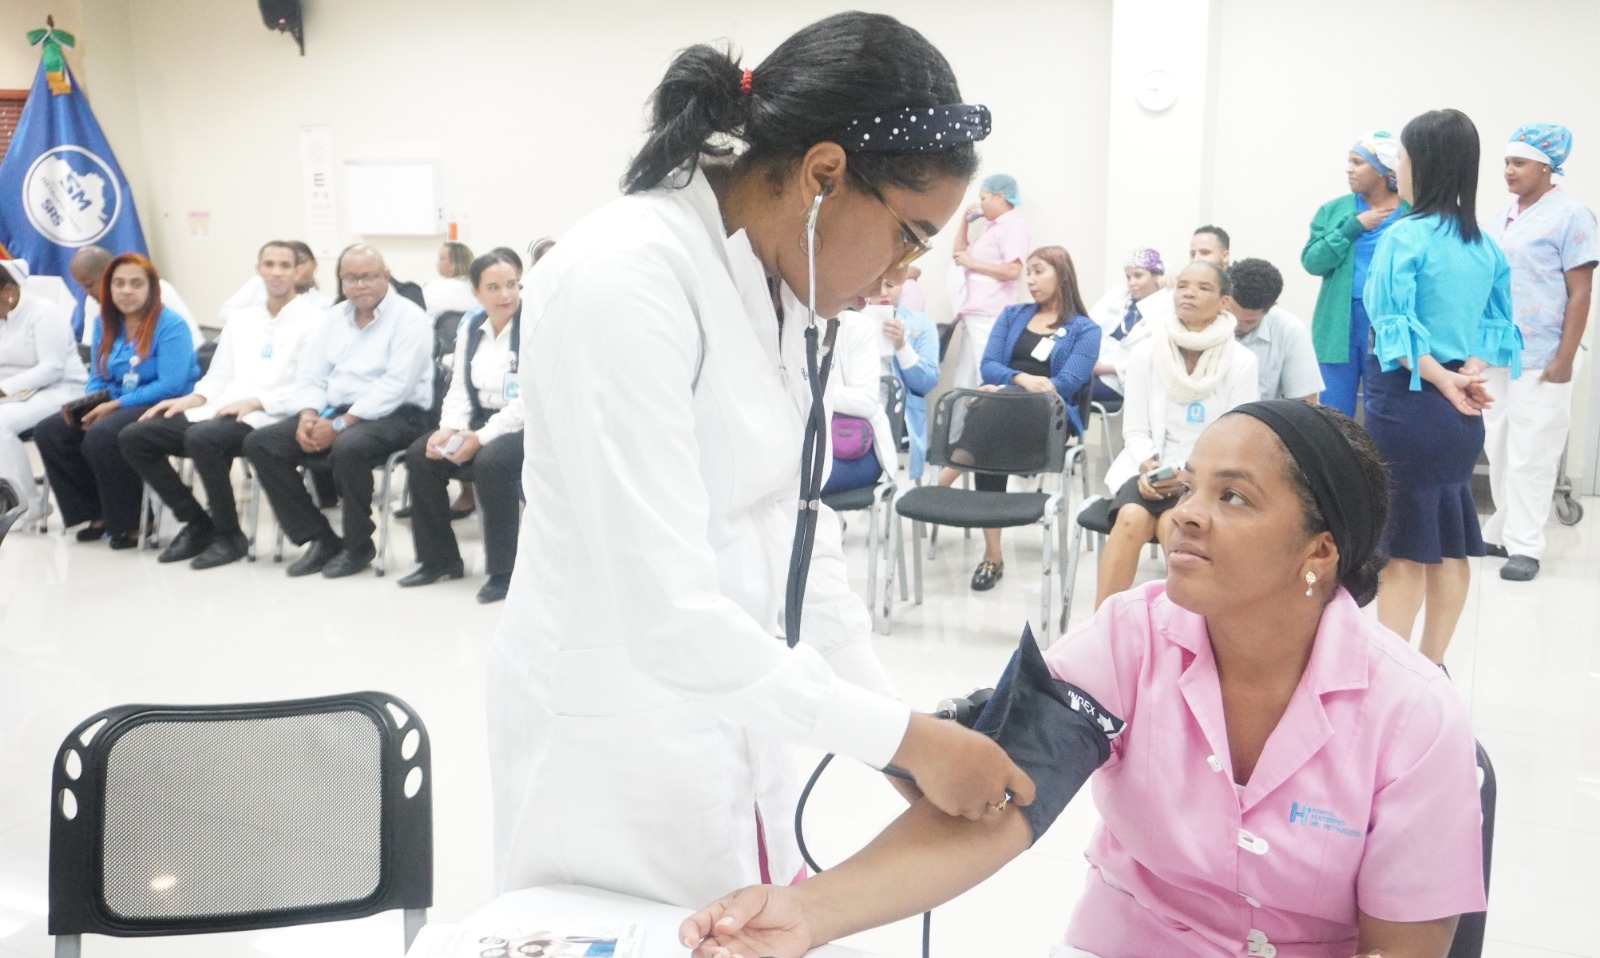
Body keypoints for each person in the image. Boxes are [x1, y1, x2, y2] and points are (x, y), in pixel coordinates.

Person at [488, 11, 1034, 911]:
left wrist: (889, 726)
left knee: (750, 921)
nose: (904, 273)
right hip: (616, 741)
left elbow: (797, 540)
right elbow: (664, 616)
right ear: (824, 174)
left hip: (738, 712)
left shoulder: (780, 286)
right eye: (910, 233)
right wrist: (901, 739)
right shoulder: (625, 279)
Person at [683, 402, 1486, 958]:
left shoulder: (1413, 716)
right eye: (1187, 489)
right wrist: (803, 915)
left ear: (1320, 553)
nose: (1184, 517)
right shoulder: (1130, 637)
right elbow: (996, 811)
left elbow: (1401, 949)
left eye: (1233, 497)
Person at [1363, 108, 1521, 665]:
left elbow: (1393, 326)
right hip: (1459, 410)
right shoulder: (1483, 245)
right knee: (1451, 538)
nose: (1397, 169)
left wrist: (1441, 377)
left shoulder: (1404, 237)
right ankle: (1432, 666)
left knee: (1403, 546)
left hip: (1407, 404)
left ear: (1422, 165)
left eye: (1402, 158)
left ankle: (1394, 671)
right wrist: (1466, 375)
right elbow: (1494, 327)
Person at [117, 241, 321, 569]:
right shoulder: (242, 320)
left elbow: (309, 384)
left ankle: (229, 536)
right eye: (269, 264)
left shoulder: (314, 321)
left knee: (203, 439)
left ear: (298, 271)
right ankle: (198, 523)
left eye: (285, 265)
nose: (276, 272)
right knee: (135, 436)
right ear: (258, 270)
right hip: (221, 408)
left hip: (271, 413)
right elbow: (219, 376)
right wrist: (190, 398)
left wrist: (258, 401)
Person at [242, 244, 433, 579]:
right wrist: (308, 416)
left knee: (348, 447)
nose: (359, 286)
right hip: (340, 411)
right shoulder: (336, 317)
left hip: (401, 414)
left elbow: (395, 386)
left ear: (386, 276)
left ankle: (358, 546)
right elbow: (312, 374)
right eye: (350, 278)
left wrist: (341, 424)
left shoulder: (409, 319)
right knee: (262, 443)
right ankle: (319, 537)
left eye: (368, 277)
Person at [1095, 260, 1258, 610]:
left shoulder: (1241, 361)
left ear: (1224, 302)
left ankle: (1179, 636)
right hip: (1148, 469)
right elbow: (1135, 429)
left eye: (1203, 287)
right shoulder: (1146, 352)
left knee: (1173, 525)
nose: (1189, 293)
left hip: (1206, 482)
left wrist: (1187, 478)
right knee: (1131, 518)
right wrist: (1147, 467)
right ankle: (1100, 630)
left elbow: (1238, 439)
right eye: (1183, 285)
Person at [943, 246, 1099, 591]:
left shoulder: (1086, 330)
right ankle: (992, 553)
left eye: (1038, 271)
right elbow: (989, 366)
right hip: (1000, 416)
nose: (1030, 279)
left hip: (1050, 420)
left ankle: (945, 476)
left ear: (1063, 274)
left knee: (989, 405)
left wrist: (1011, 387)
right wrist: (1019, 379)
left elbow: (1066, 384)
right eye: (1027, 272)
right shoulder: (1013, 314)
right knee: (992, 416)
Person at [1482, 124, 1597, 582]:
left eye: (1519, 163)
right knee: (1500, 444)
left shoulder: (1572, 215)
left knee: (1534, 450)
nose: (1509, 171)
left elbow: (1581, 292)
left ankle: (1527, 545)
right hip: (1496, 352)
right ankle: (1506, 529)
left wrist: (1565, 358)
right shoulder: (1501, 216)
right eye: (1507, 162)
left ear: (1547, 166)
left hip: (1545, 352)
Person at [33, 254, 200, 548]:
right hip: (117, 399)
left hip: (164, 403)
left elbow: (171, 384)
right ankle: (94, 513)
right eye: (118, 284)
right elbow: (98, 374)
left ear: (151, 289)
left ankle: (132, 521)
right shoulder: (104, 323)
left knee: (103, 434)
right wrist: (90, 402)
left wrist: (116, 405)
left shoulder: (171, 324)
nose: (126, 291)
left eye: (136, 284)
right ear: (108, 289)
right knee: (52, 430)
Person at [399, 248, 526, 604]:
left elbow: (528, 401)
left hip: (523, 427)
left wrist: (480, 437)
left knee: (492, 463)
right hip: (477, 420)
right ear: (476, 292)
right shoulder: (471, 326)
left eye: (512, 285)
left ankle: (504, 572)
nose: (506, 295)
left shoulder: (534, 326)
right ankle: (439, 560)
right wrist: (449, 428)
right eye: (494, 287)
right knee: (422, 456)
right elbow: (458, 387)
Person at [1302, 132, 1409, 416]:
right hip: (1338, 323)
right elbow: (1312, 262)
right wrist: (1352, 227)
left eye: (1358, 162)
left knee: (1386, 410)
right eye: (1349, 161)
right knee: (1333, 415)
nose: (1349, 169)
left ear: (1384, 170)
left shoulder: (1411, 215)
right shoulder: (1335, 211)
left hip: (1387, 325)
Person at [0, 259, 88, 524]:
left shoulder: (44, 313)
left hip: (61, 390)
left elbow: (52, 367)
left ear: (8, 290)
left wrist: (3, 389)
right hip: (19, 394)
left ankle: (26, 505)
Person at [949, 173, 1029, 387]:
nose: (980, 204)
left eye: (983, 198)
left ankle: (986, 420)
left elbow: (1013, 270)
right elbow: (958, 254)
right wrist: (964, 222)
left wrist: (972, 263)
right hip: (973, 311)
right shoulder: (991, 228)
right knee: (963, 382)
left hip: (990, 314)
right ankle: (958, 421)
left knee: (984, 377)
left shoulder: (1013, 226)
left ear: (999, 197)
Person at [868, 268, 939, 481]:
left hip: (901, 415)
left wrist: (901, 345)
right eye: (874, 285)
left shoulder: (921, 324)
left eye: (890, 285)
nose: (882, 292)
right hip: (857, 411)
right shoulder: (848, 320)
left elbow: (926, 382)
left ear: (902, 287)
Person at [821, 306, 897, 496]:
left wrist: (811, 391)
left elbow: (867, 401)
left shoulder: (856, 326)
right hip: (803, 444)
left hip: (854, 448)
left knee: (791, 483)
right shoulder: (790, 322)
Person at [1225, 258, 1324, 402]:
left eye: (1248, 321)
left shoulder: (1290, 330)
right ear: (1224, 298)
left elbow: (1306, 403)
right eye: (1230, 314)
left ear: (1271, 307)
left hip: (1259, 420)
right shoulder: (1202, 318)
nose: (1236, 325)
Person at [1086, 248, 1174, 405]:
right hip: (1094, 371)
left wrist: (1105, 368)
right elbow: (1089, 328)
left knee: (1069, 390)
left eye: (1138, 276)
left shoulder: (1166, 308)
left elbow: (1155, 359)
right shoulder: (1120, 301)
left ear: (1157, 276)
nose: (1132, 282)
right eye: (1128, 277)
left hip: (1123, 381)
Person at [68, 245, 202, 347]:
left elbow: (193, 342)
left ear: (107, 273)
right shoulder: (94, 301)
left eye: (90, 285)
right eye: (82, 286)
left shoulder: (160, 290)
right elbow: (92, 351)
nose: (86, 292)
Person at [424, 241, 478, 318]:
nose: (437, 263)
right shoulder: (481, 288)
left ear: (455, 263)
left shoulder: (433, 288)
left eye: (442, 259)